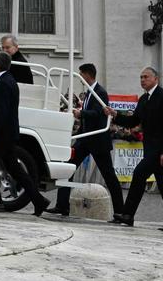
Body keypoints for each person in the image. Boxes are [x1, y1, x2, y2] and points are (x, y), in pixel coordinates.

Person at [0, 52, 49, 215]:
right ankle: (39, 201)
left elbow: (2, 112)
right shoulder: (3, 80)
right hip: (6, 134)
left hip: (2, 135)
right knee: (15, 169)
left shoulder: (4, 83)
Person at [112, 67, 163, 233]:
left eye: (146, 77)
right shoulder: (144, 99)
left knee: (139, 174)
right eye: (141, 77)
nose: (142, 80)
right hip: (150, 148)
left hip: (160, 150)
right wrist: (115, 115)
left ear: (155, 79)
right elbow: (133, 121)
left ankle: (128, 214)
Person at [48, 63, 123, 220]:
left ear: (88, 75)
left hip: (98, 141)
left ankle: (120, 212)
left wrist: (80, 113)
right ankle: (62, 205)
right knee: (67, 169)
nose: (80, 78)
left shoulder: (100, 92)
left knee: (109, 176)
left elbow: (97, 114)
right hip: (85, 139)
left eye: (81, 74)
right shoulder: (89, 92)